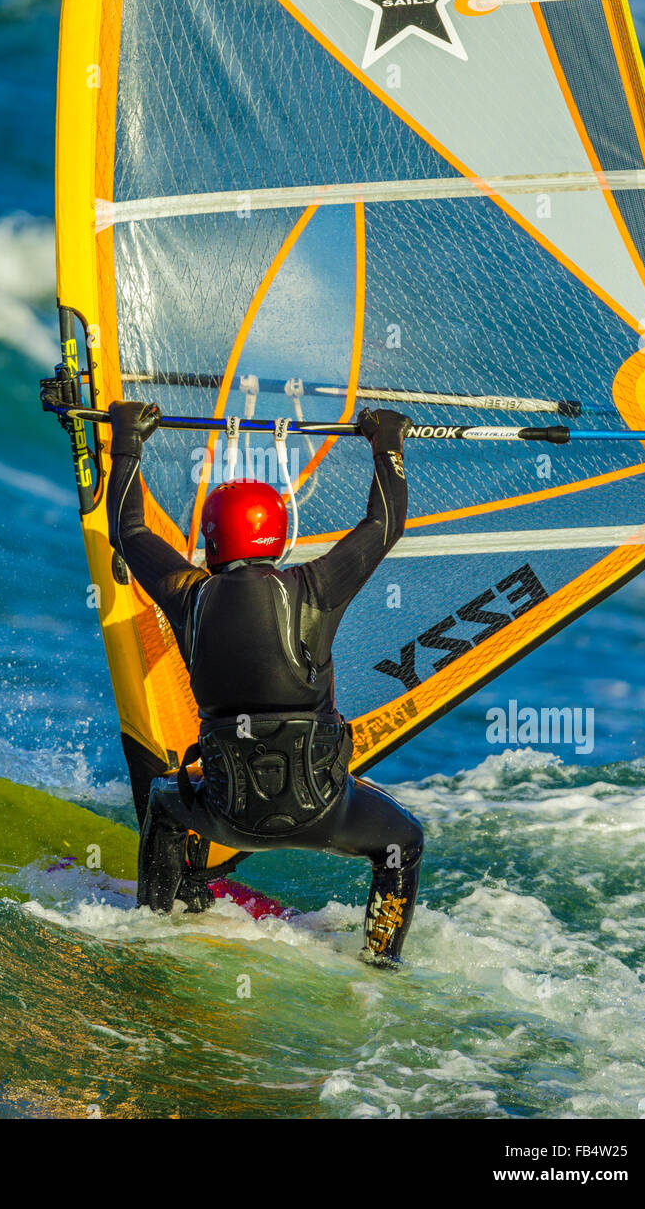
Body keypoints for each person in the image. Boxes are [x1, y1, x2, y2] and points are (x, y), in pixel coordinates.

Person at [106, 400, 424, 968]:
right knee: (405, 842)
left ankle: (154, 924)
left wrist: (129, 438)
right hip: (325, 812)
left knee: (164, 799)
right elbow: (385, 524)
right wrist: (388, 445)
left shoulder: (188, 594)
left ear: (212, 542)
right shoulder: (317, 586)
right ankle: (381, 961)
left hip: (227, 814)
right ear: (276, 540)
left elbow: (128, 531)